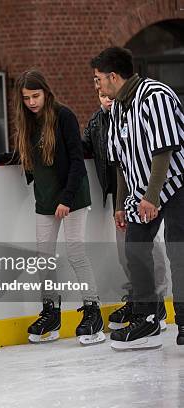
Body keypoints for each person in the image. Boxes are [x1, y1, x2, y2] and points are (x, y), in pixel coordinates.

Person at [0, 70, 104, 346]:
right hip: (46, 200)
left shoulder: (64, 116)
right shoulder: (28, 122)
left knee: (75, 253)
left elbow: (76, 160)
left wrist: (66, 198)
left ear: (46, 93)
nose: (31, 102)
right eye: (26, 98)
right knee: (43, 257)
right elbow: (25, 154)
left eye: (35, 96)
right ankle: (51, 313)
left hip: (72, 197)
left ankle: (93, 310)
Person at [91, 46, 184, 350]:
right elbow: (120, 162)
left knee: (177, 251)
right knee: (135, 249)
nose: (98, 85)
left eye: (99, 79)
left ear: (113, 76)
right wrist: (120, 205)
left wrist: (152, 198)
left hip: (176, 184)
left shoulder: (155, 96)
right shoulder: (118, 106)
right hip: (142, 193)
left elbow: (164, 150)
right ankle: (147, 318)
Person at [81, 88, 169, 331]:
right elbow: (81, 147)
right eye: (100, 95)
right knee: (126, 251)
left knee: (149, 245)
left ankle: (157, 299)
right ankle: (139, 298)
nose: (107, 99)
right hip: (118, 194)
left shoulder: (136, 112)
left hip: (145, 189)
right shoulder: (97, 122)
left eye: (109, 95)